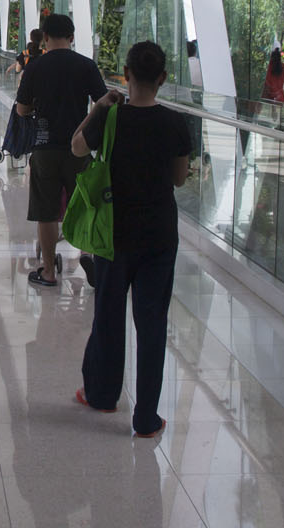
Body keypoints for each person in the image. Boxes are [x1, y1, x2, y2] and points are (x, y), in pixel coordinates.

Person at [71, 41, 191, 437]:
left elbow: (76, 146)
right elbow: (179, 178)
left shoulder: (111, 116)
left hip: (114, 232)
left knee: (108, 314)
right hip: (159, 234)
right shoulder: (175, 123)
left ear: (125, 75)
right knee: (152, 323)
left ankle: (102, 395)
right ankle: (146, 418)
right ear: (163, 78)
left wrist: (99, 106)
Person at [14, 14, 106, 287]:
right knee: (84, 204)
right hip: (78, 146)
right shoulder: (86, 66)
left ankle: (48, 271)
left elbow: (22, 109)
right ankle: (87, 254)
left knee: (46, 211)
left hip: (45, 146)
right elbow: (102, 104)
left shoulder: (35, 66)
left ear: (44, 37)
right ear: (72, 37)